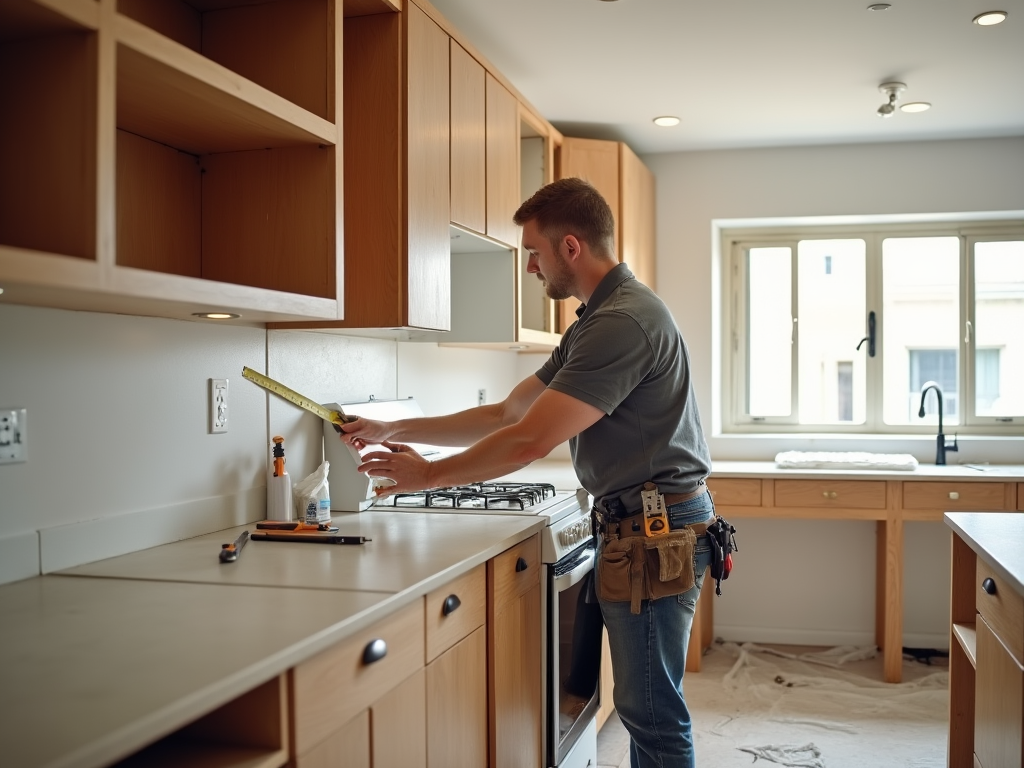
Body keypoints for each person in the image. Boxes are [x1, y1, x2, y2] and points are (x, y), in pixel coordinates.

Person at [340, 177, 714, 768]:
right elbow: (508, 412)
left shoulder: (622, 322)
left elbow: (528, 442)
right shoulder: (596, 320)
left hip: (654, 532)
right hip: (642, 525)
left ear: (571, 246)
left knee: (652, 715)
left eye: (534, 253)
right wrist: (394, 430)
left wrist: (425, 478)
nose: (532, 269)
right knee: (649, 709)